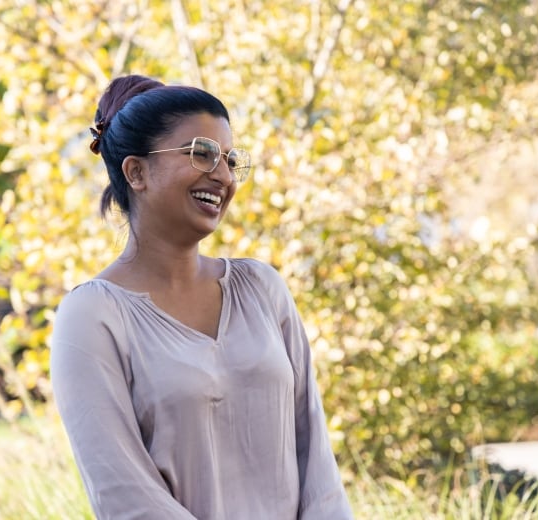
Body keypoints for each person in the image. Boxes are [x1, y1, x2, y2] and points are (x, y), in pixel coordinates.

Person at [50, 74, 354, 519]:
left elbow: (317, 466)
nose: (224, 175)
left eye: (230, 159)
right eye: (202, 154)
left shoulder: (262, 290)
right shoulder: (93, 316)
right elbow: (126, 497)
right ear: (136, 171)